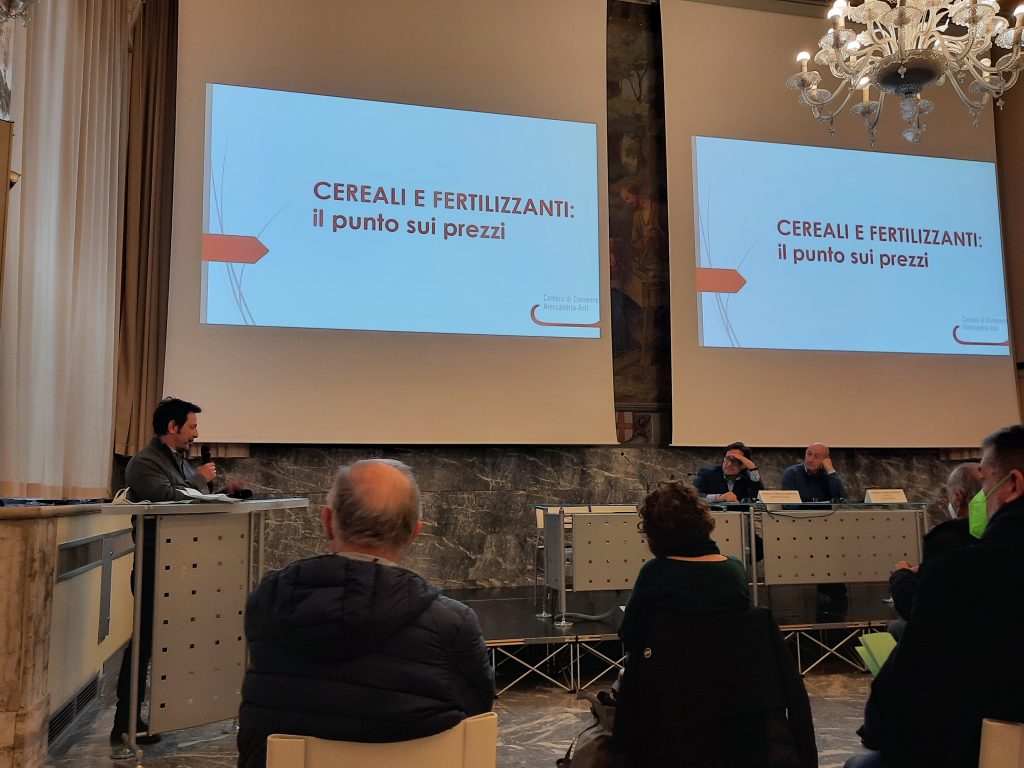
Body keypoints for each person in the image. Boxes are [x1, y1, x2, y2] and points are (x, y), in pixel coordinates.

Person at [237, 459, 494, 768]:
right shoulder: (453, 623)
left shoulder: (267, 602)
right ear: (413, 534)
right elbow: (477, 712)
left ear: (327, 521)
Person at [846, 425, 1024, 768]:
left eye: (986, 482)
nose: (981, 496)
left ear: (1013, 484)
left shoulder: (961, 573)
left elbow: (903, 699)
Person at [614, 482, 816, 767]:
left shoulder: (655, 573)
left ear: (654, 531)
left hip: (675, 710)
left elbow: (630, 635)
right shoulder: (734, 569)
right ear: (703, 521)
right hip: (739, 707)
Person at [110, 397, 228, 750]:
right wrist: (200, 479)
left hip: (180, 565)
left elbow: (187, 497)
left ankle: (169, 712)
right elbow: (165, 498)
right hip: (154, 566)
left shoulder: (178, 461)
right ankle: (125, 722)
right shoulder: (143, 462)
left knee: (172, 641)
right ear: (172, 427)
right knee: (145, 642)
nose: (197, 434)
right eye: (192, 426)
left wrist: (223, 492)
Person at [889, 462, 981, 621]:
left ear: (957, 497)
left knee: (897, 627)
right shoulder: (1002, 532)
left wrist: (901, 574)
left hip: (953, 630)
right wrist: (927, 569)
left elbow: (914, 607)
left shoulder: (948, 540)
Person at [693, 441, 765, 503]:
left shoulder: (746, 477)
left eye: (735, 460)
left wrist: (753, 468)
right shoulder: (708, 473)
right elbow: (694, 495)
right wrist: (718, 497)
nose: (729, 464)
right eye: (727, 459)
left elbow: (761, 497)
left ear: (743, 464)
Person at [781, 442, 847, 502]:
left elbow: (842, 502)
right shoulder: (792, 473)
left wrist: (831, 471)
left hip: (825, 512)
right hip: (801, 512)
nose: (810, 460)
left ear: (826, 460)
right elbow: (789, 505)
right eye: (809, 454)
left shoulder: (829, 474)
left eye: (817, 456)